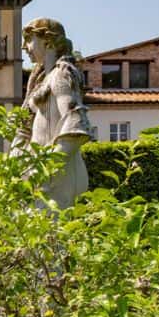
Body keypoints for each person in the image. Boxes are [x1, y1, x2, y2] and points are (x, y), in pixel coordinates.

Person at [11, 17, 94, 209]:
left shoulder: (61, 75)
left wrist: (46, 173)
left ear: (47, 41)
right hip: (42, 178)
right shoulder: (44, 80)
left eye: (29, 39)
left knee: (52, 237)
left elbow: (76, 127)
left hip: (57, 181)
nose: (25, 47)